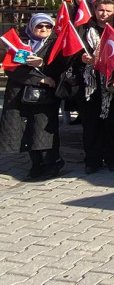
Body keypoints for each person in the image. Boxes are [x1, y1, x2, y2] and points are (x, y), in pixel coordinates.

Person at [0, 14, 67, 181]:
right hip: (21, 95)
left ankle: (52, 163)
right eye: (39, 26)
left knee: (43, 129)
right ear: (32, 27)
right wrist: (40, 79)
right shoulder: (22, 44)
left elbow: (61, 67)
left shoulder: (55, 44)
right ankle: (35, 164)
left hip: (45, 97)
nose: (44, 29)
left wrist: (43, 65)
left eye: (48, 26)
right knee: (27, 130)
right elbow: (12, 68)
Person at [75, 0, 114, 174]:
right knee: (91, 125)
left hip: (113, 83)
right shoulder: (83, 30)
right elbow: (71, 54)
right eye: (100, 10)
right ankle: (92, 160)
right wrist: (81, 59)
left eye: (108, 11)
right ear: (95, 10)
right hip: (90, 84)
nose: (104, 14)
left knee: (113, 124)